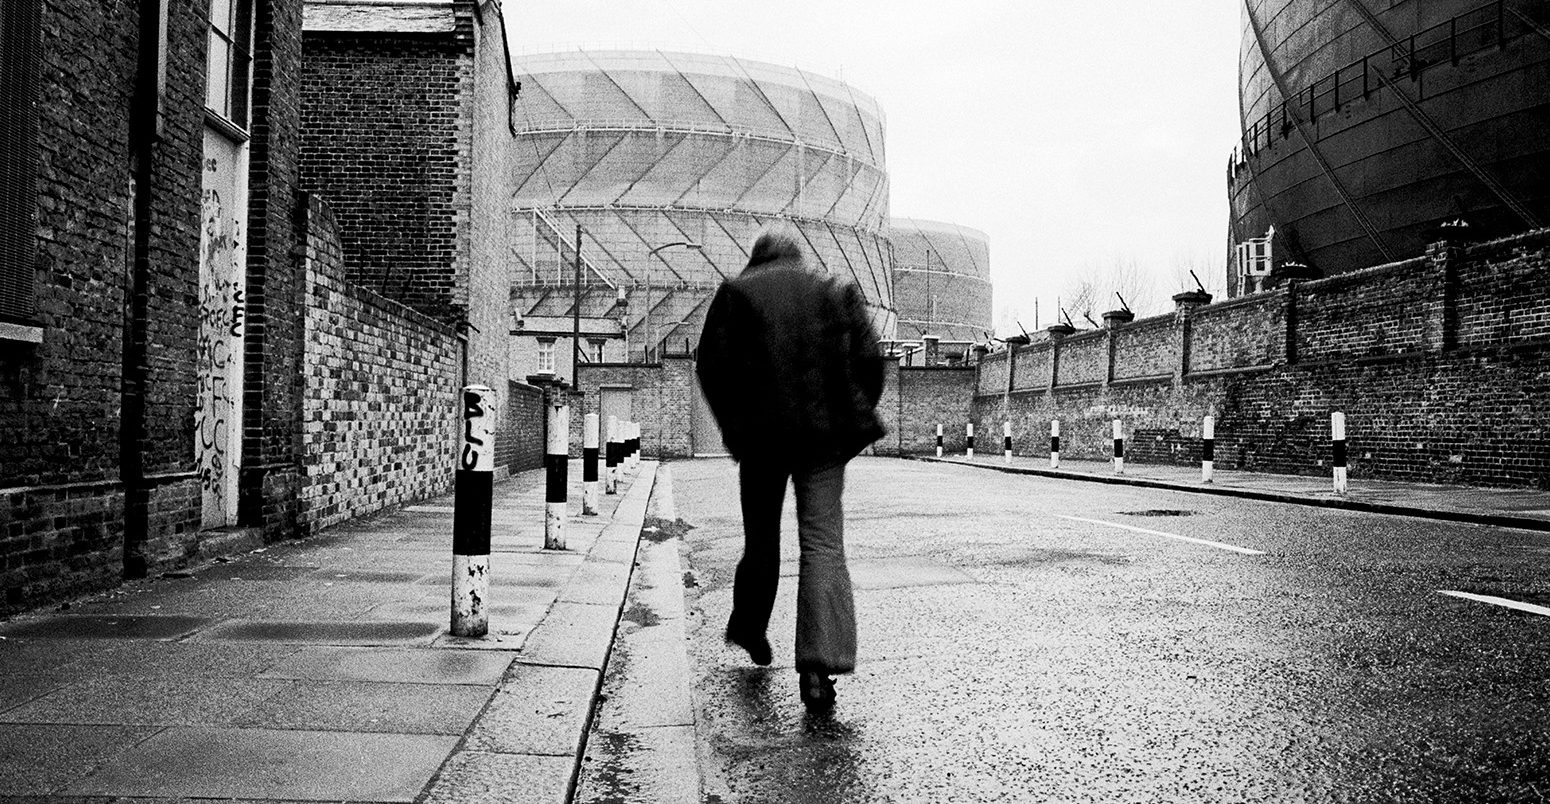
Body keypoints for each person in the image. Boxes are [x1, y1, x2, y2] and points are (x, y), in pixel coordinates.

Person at [695, 225, 886, 713]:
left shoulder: (736, 294)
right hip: (824, 442)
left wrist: (735, 428)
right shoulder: (832, 291)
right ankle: (818, 668)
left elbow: (711, 368)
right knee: (822, 545)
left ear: (756, 257)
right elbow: (870, 359)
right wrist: (852, 413)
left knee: (762, 541)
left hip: (761, 442)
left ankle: (751, 628)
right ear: (797, 256)